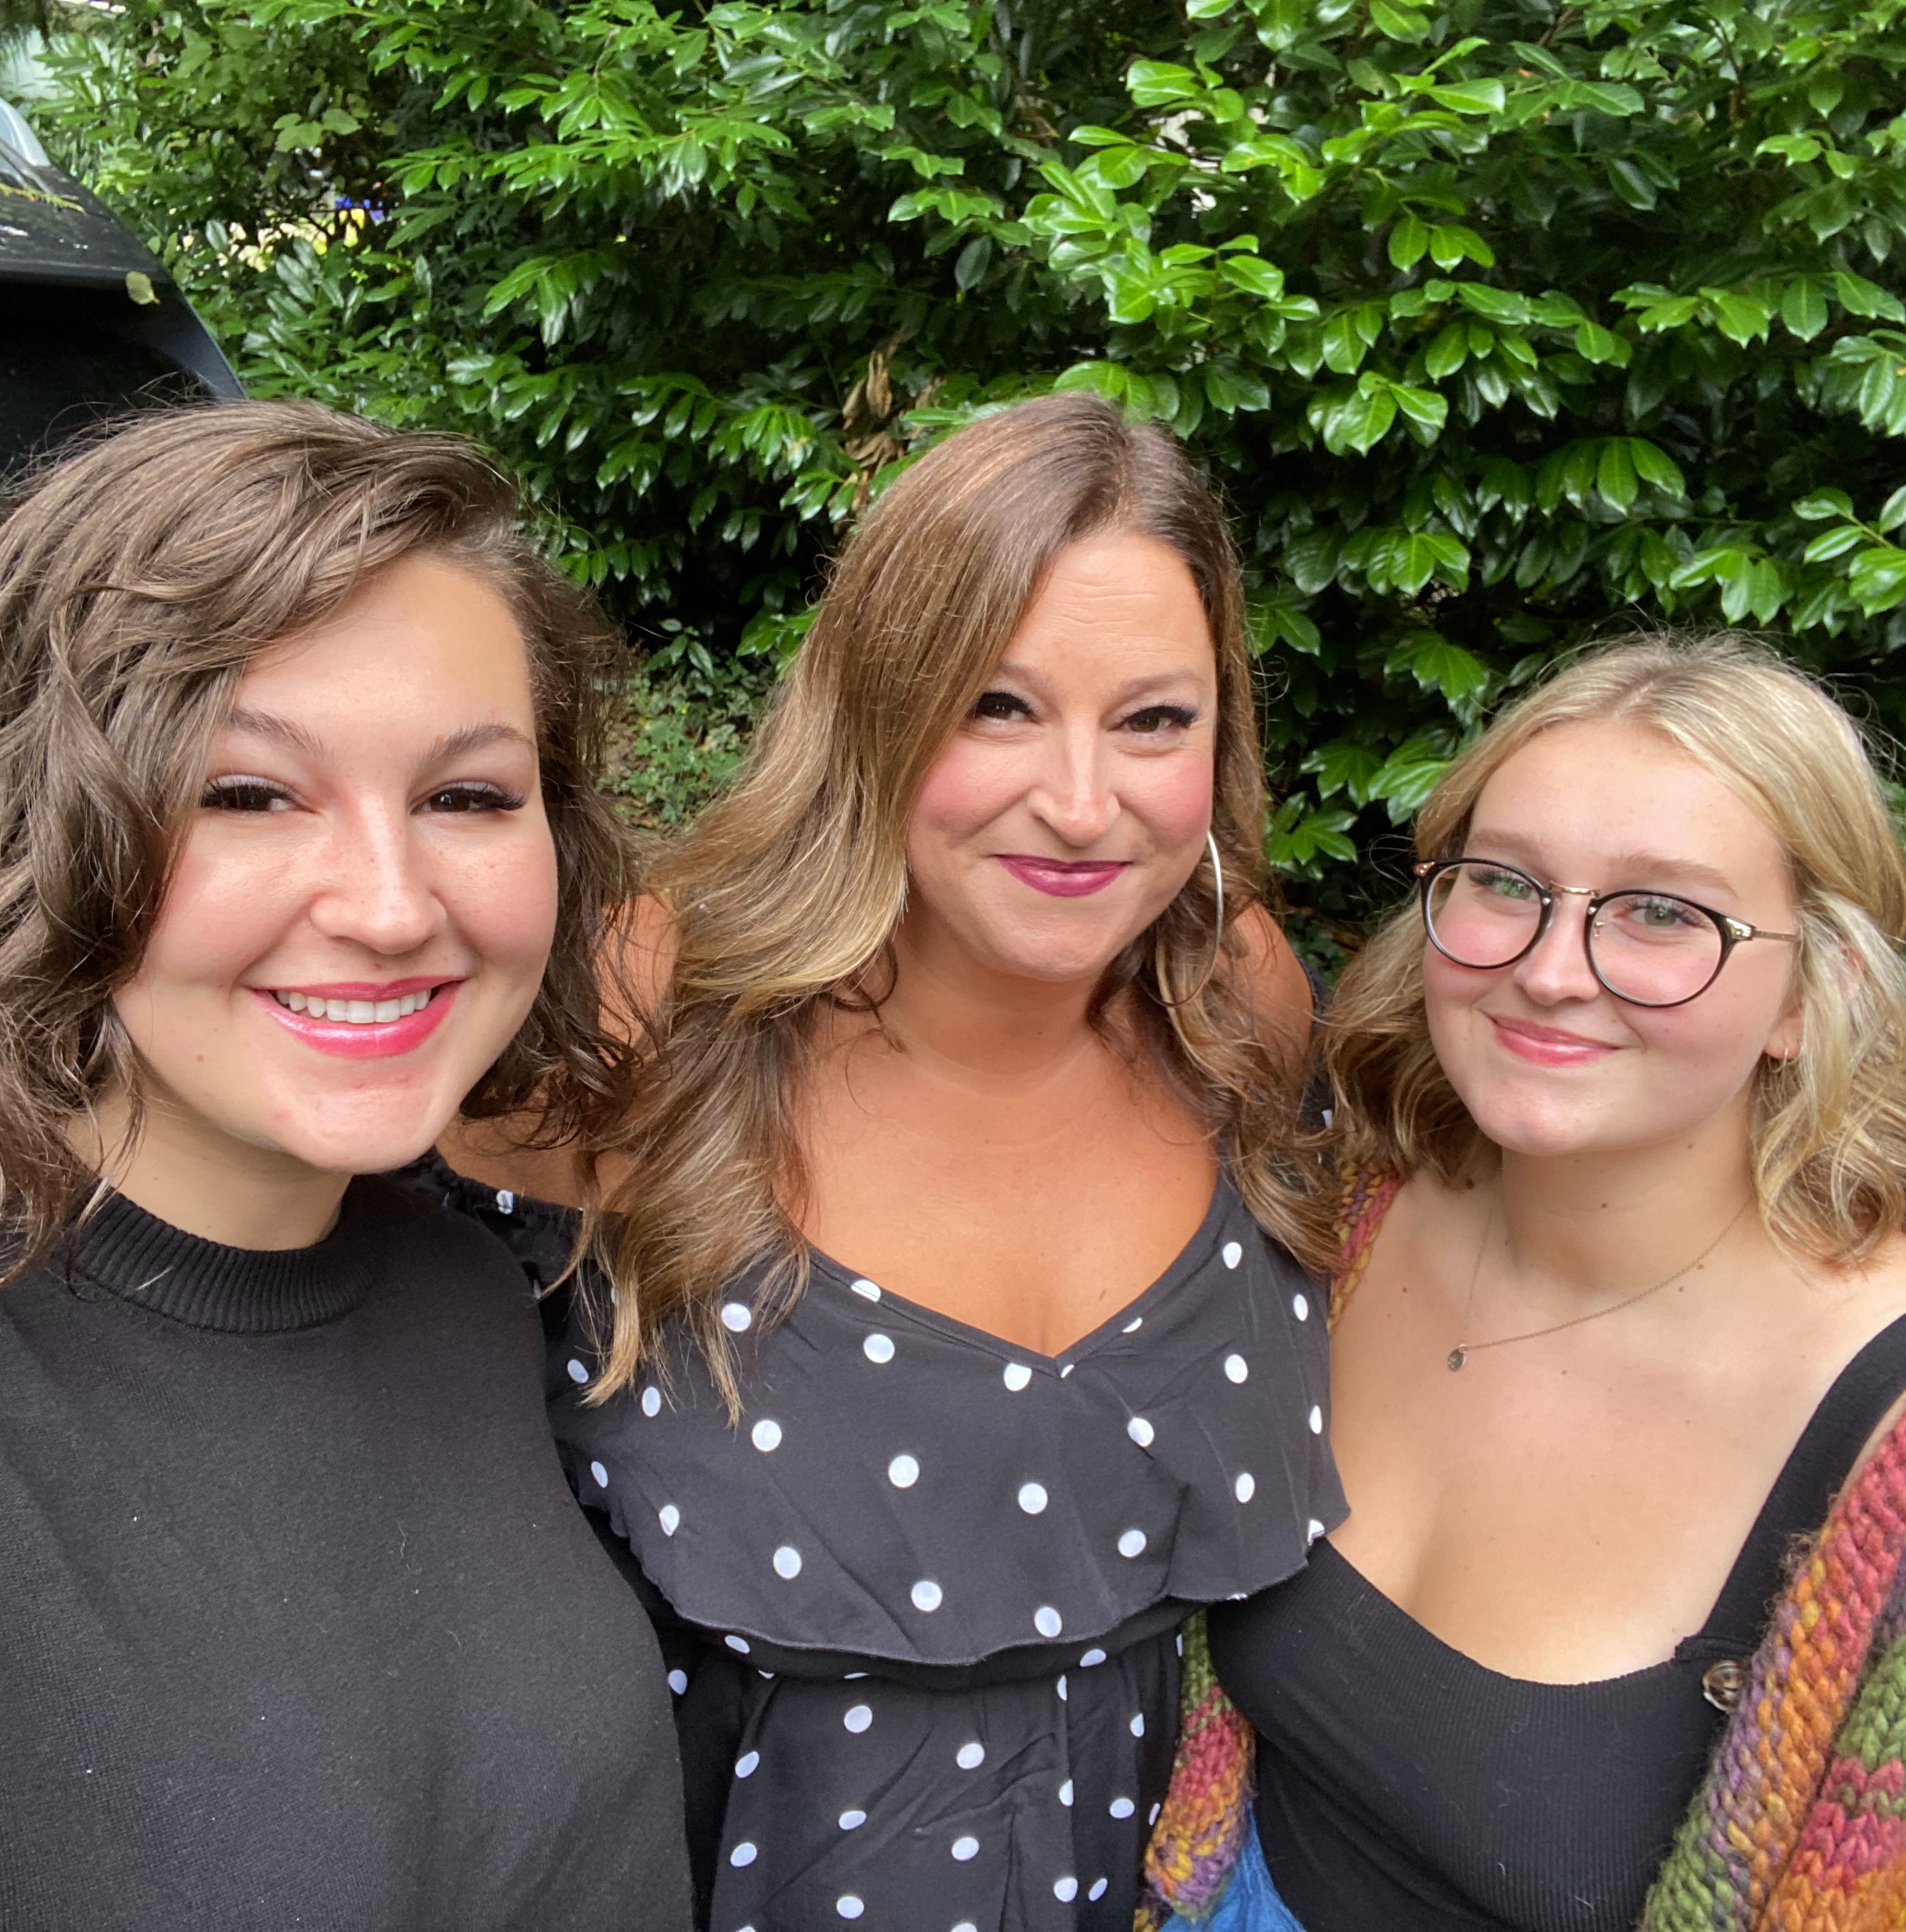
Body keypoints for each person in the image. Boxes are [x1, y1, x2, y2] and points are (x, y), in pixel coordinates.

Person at [0, 402, 692, 1931]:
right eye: (245, 793)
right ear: (33, 827)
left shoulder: (478, 1289)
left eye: (467, 796)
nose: (392, 906)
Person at [1138, 634, 1906, 1930]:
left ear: (1812, 993)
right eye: (1505, 883)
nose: (1550, 969)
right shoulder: (1339, 1220)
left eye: (1664, 913)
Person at [441, 391, 1346, 1931]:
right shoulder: (652, 1008)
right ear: (876, 701)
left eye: (1154, 720)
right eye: (997, 705)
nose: (1081, 804)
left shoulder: (1233, 1003)